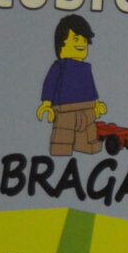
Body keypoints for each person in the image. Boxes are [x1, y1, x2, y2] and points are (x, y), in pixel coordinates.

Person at [36, 15, 107, 155]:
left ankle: (87, 146)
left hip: (87, 108)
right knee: (63, 135)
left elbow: (91, 87)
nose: (81, 43)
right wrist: (46, 104)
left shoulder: (86, 68)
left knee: (88, 135)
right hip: (65, 109)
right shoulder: (60, 66)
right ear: (62, 43)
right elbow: (50, 84)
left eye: (84, 40)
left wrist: (96, 104)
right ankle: (60, 153)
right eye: (75, 39)